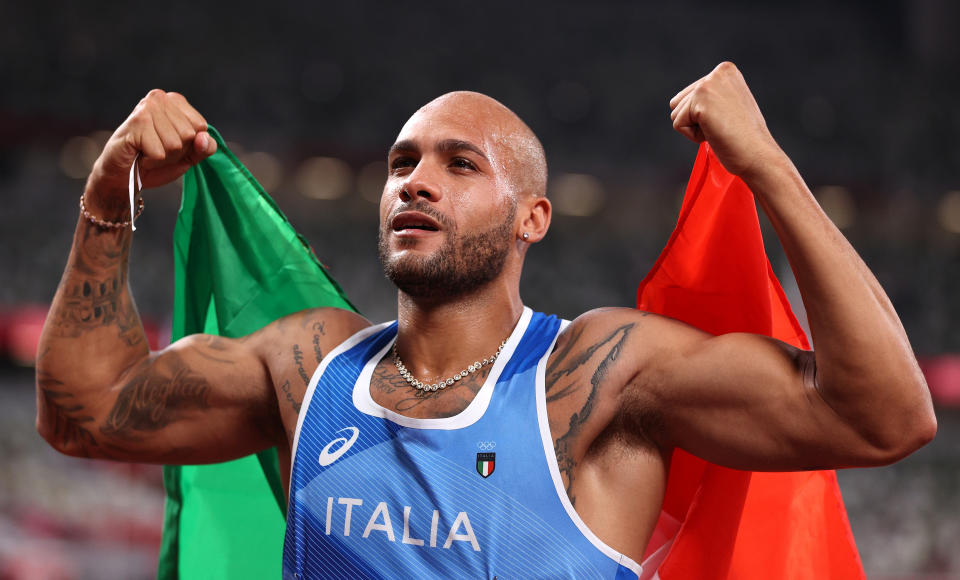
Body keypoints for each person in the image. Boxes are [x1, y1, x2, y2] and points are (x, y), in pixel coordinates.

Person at [36, 62, 936, 578]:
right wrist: (106, 195)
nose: (413, 181)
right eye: (399, 162)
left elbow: (884, 413)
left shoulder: (602, 377)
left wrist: (768, 166)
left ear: (530, 219)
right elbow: (83, 412)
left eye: (458, 164)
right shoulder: (310, 368)